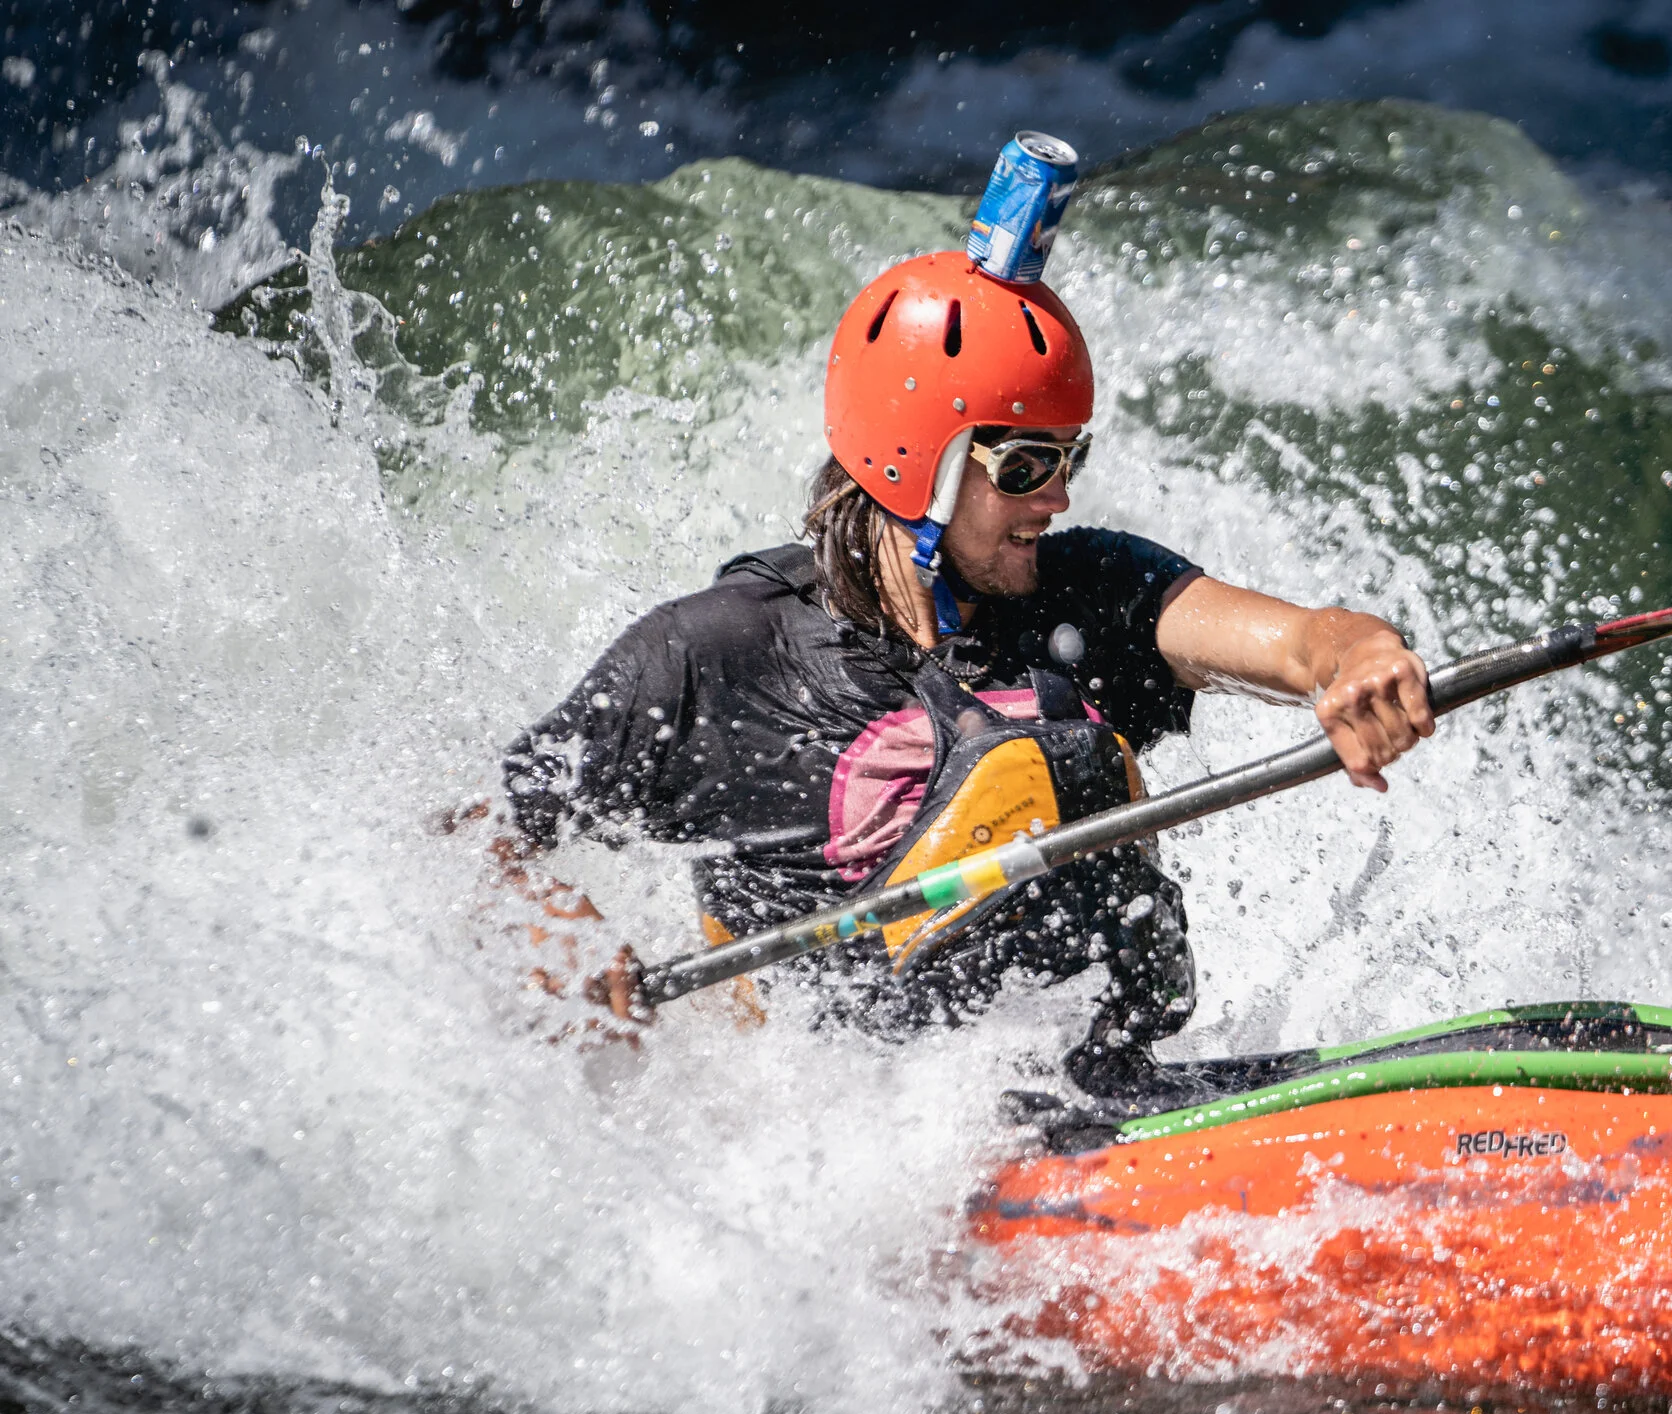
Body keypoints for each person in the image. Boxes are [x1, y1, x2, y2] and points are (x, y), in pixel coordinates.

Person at [497, 249, 1433, 1091]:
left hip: (1096, 1102)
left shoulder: (1088, 592)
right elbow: (486, 832)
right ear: (918, 462)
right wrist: (553, 925)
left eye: (1070, 457)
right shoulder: (718, 656)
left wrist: (1363, 662)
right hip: (856, 1137)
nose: (1059, 497)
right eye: (1026, 464)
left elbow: (1304, 640)